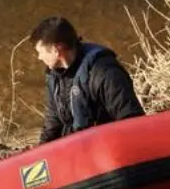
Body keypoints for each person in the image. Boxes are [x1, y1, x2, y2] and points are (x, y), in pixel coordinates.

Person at [30, 16, 144, 145]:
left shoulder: (104, 73)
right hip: (77, 146)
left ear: (57, 50)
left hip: (106, 146)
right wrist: (41, 150)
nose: (39, 57)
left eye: (41, 52)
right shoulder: (54, 75)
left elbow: (131, 120)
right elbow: (53, 120)